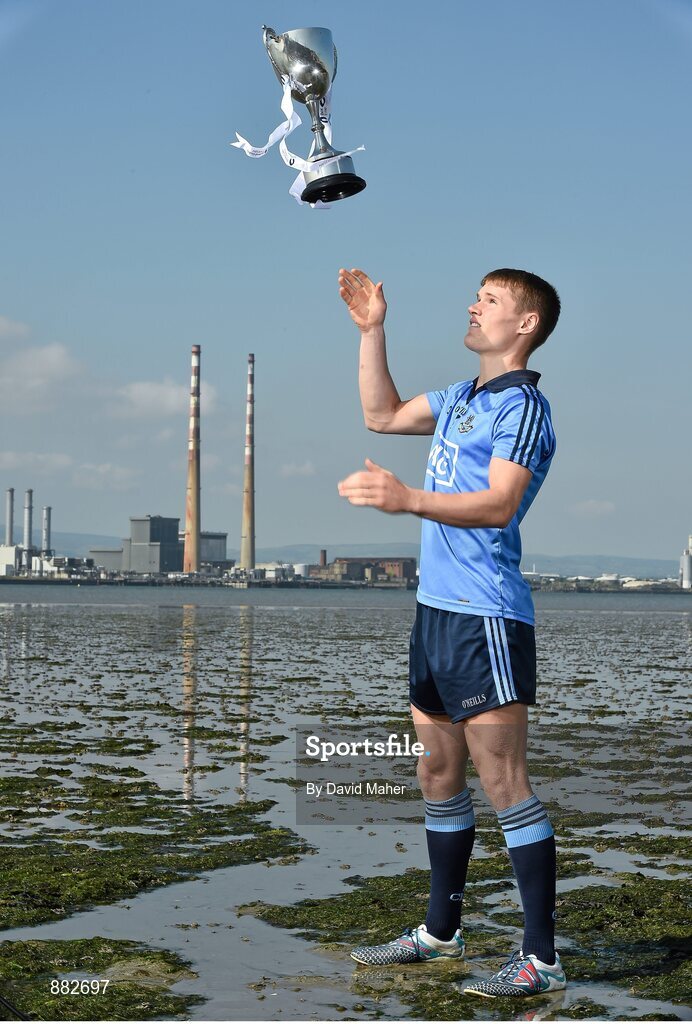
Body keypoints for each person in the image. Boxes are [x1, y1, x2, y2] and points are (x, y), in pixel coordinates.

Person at [337, 266, 565, 998]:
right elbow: (381, 415)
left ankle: (540, 960)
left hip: (487, 617)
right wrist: (373, 330)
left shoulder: (525, 407)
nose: (474, 306)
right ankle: (441, 933)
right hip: (435, 614)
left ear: (524, 324)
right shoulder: (462, 397)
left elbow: (499, 505)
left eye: (490, 300)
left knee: (504, 784)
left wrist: (406, 500)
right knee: (436, 774)